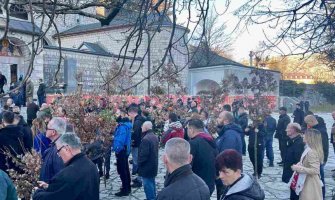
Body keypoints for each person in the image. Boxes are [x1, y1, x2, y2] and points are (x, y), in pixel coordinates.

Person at [33, 132, 100, 200]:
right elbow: (72, 190)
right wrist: (49, 187)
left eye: (58, 150)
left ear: (66, 149)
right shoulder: (92, 166)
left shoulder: (67, 174)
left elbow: (53, 197)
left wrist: (37, 193)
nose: (58, 155)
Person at [291, 129, 323, 200]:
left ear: (310, 137)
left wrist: (298, 168)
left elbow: (315, 170)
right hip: (307, 180)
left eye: (304, 134)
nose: (303, 136)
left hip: (310, 182)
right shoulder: (309, 149)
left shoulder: (311, 152)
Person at [187, 119, 217, 195]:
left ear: (191, 129)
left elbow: (188, 165)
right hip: (210, 183)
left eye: (187, 128)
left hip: (197, 184)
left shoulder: (193, 144)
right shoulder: (211, 141)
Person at [304, 114, 328, 198]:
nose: (307, 125)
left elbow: (325, 146)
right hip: (315, 157)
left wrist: (324, 159)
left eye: (307, 123)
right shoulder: (316, 128)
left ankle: (321, 196)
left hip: (319, 158)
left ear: (311, 121)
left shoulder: (320, 131)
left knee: (320, 180)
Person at [281, 123, 304, 200]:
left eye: (288, 128)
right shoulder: (292, 140)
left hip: (295, 172)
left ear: (294, 130)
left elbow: (299, 159)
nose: (286, 130)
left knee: (295, 194)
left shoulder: (299, 143)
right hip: (290, 171)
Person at [39, 117, 66, 183]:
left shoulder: (60, 150)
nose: (45, 130)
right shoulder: (56, 146)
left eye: (47, 128)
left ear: (53, 132)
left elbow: (60, 177)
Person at [138, 121, 159, 200]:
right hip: (153, 164)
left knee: (148, 185)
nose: (141, 127)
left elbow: (143, 155)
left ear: (146, 127)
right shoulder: (154, 136)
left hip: (147, 167)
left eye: (142, 126)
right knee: (152, 183)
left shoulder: (146, 139)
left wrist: (139, 164)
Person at [113, 113, 132, 196]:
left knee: (121, 169)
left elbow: (119, 140)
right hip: (125, 149)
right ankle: (128, 187)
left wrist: (116, 149)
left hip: (121, 150)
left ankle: (125, 189)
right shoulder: (128, 126)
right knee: (126, 168)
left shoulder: (122, 127)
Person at [128, 105, 145, 187]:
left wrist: (132, 142)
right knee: (136, 160)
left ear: (132, 113)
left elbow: (135, 133)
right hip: (138, 143)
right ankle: (139, 177)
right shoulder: (138, 119)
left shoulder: (137, 122)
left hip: (137, 144)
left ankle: (139, 180)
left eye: (129, 114)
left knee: (137, 161)